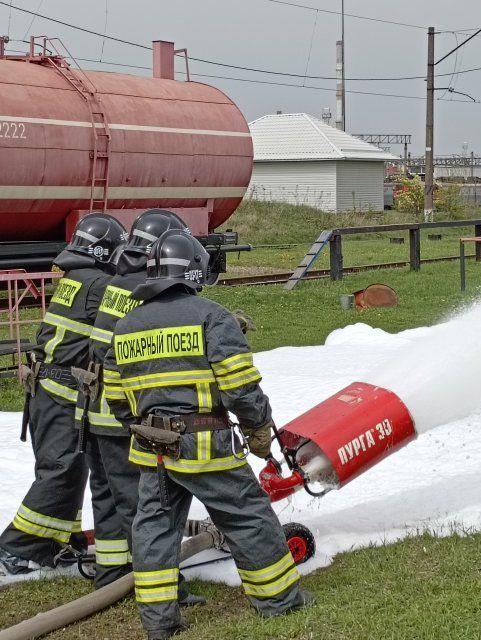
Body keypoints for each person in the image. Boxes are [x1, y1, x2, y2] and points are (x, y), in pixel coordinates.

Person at [103, 229, 314, 640]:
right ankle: (280, 601)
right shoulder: (212, 317)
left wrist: (148, 425)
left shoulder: (125, 326)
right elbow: (241, 389)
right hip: (206, 447)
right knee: (248, 518)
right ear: (194, 271)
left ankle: (160, 622)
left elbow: (116, 398)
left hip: (152, 449)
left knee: (153, 529)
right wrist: (258, 428)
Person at [0, 213, 127, 575]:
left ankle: (55, 541)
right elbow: (130, 315)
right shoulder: (98, 283)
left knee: (69, 467)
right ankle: (14, 547)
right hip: (60, 390)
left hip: (50, 388)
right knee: (62, 470)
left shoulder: (77, 277)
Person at [78, 209, 193, 589]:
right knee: (143, 506)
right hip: (121, 413)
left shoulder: (119, 281)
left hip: (95, 408)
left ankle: (112, 573)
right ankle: (159, 584)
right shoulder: (144, 287)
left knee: (109, 498)